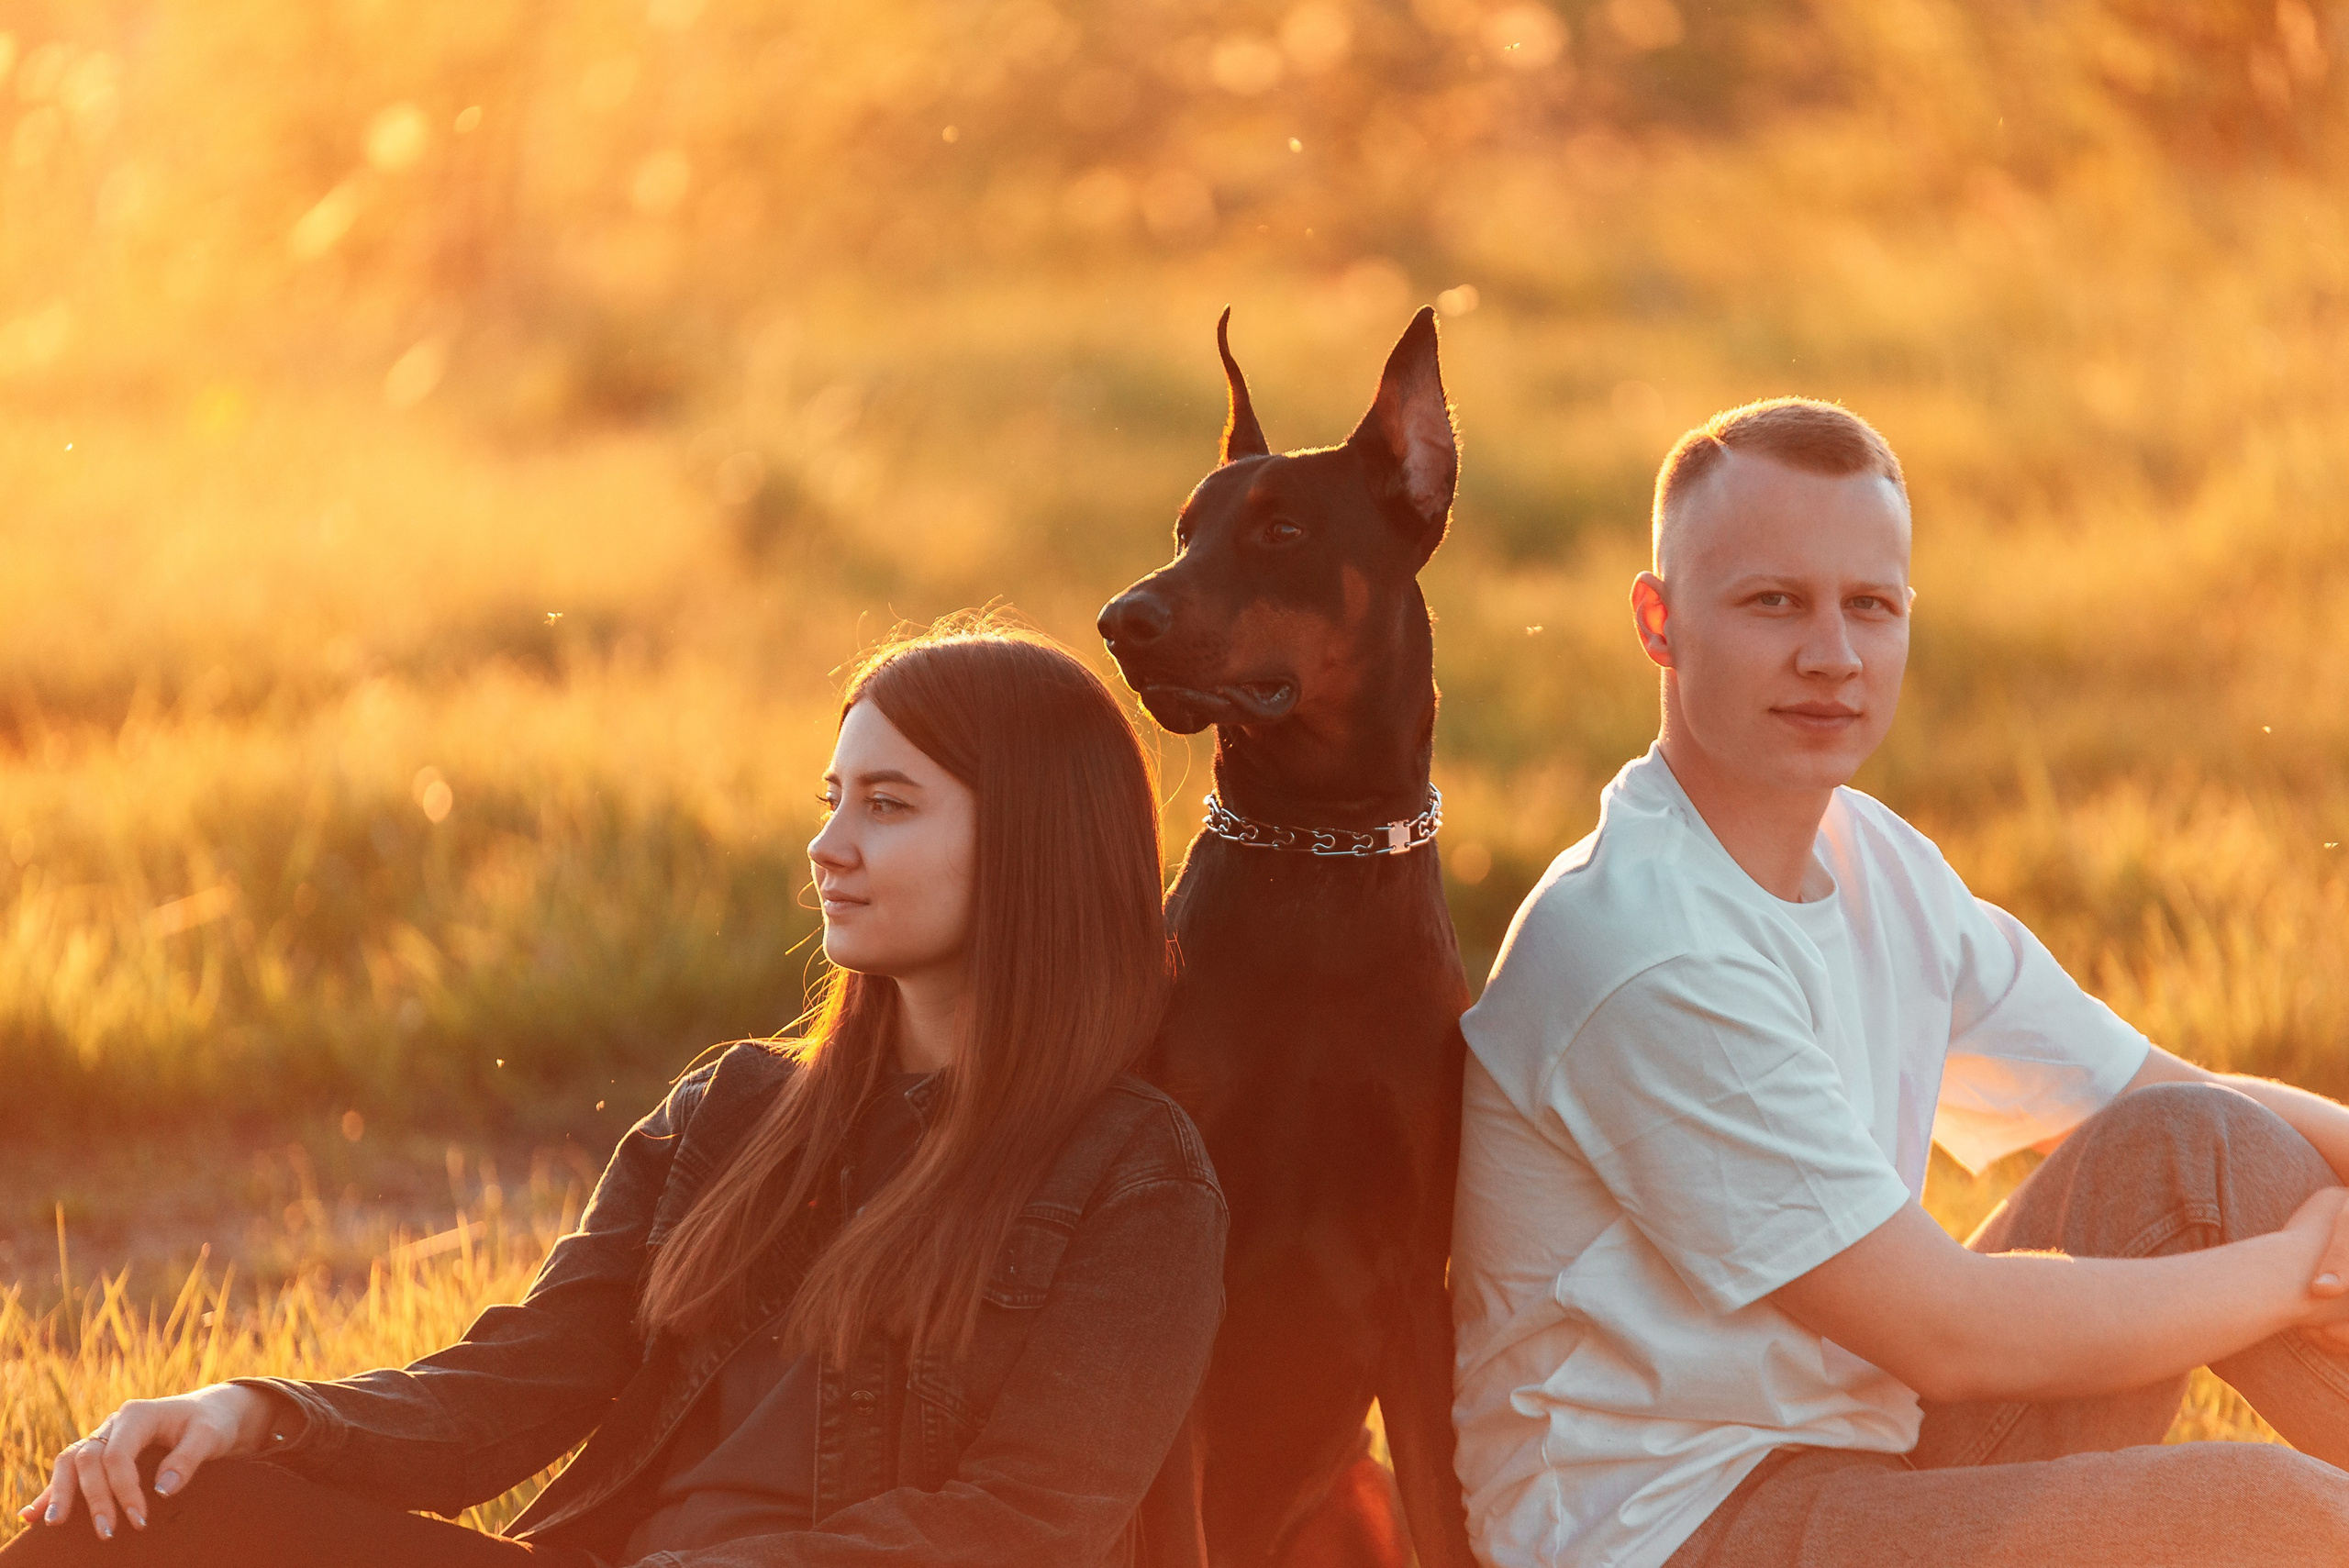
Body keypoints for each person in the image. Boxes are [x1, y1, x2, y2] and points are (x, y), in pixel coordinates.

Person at [7, 620, 1227, 1568]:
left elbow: (1022, 1529)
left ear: (1029, 844)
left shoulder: (1135, 1175)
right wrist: (250, 1413)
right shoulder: (735, 1112)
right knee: (128, 1514)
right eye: (832, 799)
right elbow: (509, 1390)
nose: (828, 845)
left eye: (888, 805)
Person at [1449, 398, 2349, 1568]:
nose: (1832, 651)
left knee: (2199, 1144)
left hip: (1865, 1460)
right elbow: (1946, 1332)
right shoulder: (1641, 951)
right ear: (1658, 622)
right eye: (1774, 602)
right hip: (1679, 1531)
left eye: (1867, 605)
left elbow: (2154, 1086)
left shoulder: (1872, 859)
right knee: (2267, 1522)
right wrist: (2300, 1272)